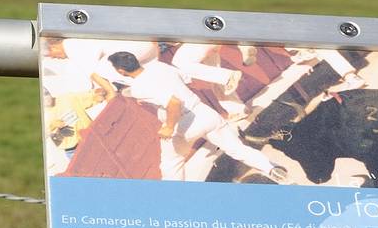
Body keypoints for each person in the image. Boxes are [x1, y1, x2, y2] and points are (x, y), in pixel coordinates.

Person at [107, 50, 288, 182]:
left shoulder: (139, 88)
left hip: (182, 125)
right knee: (236, 148)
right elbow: (185, 81)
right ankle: (270, 167)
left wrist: (169, 126)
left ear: (121, 71)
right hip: (204, 112)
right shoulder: (158, 66)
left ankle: (175, 201)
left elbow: (173, 103)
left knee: (172, 164)